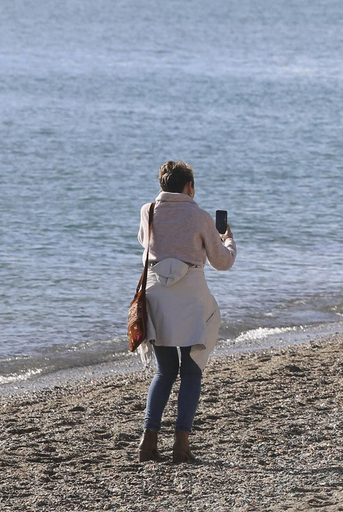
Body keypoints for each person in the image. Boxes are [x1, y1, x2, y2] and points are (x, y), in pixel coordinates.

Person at [136, 161, 236, 464]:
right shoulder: (200, 216)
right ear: (189, 186)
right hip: (190, 296)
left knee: (165, 370)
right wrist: (227, 239)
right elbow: (222, 262)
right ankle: (181, 445)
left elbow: (145, 243)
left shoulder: (148, 211)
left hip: (157, 295)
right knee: (191, 370)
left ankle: (148, 441)